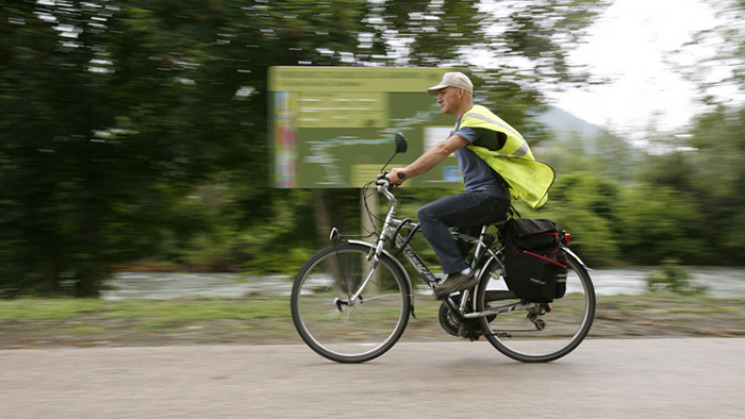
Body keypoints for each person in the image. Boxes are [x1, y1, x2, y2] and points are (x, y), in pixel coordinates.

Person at [387, 71, 554, 299]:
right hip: (486, 197)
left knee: (428, 216)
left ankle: (460, 273)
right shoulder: (463, 125)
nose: (438, 99)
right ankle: (470, 310)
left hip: (488, 197)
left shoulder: (475, 120)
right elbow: (435, 158)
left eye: (443, 92)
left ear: (460, 92)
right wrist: (407, 173)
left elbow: (442, 150)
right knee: (455, 247)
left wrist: (404, 173)